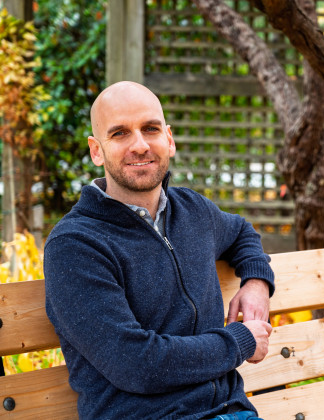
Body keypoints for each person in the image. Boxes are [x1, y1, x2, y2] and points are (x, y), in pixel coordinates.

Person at [44, 81, 275, 420]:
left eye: (150, 129)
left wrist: (257, 283)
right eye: (120, 133)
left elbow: (241, 232)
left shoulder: (193, 210)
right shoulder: (76, 245)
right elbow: (135, 364)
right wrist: (239, 341)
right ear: (96, 151)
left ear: (169, 139)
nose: (140, 145)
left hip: (233, 411)